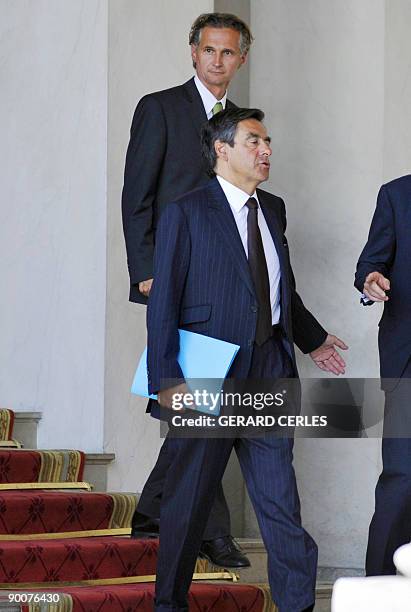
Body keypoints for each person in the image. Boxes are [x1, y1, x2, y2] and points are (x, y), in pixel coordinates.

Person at [148, 107, 348, 612]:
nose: (266, 151)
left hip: (270, 370)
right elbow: (164, 300)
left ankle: (298, 606)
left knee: (281, 504)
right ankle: (168, 603)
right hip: (207, 376)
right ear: (223, 150)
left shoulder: (274, 209)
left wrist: (313, 339)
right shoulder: (187, 209)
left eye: (268, 142)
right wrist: (165, 379)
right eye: (254, 141)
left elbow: (280, 291)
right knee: (189, 503)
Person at [122, 13, 253, 567]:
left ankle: (156, 509)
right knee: (201, 402)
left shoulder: (245, 123)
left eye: (228, 53)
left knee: (204, 403)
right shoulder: (160, 108)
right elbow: (137, 195)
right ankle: (210, 530)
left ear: (240, 59)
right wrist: (146, 267)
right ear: (192, 53)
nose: (217, 61)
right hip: (173, 278)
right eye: (209, 50)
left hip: (226, 282)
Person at [355, 174, 411, 576]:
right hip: (408, 360)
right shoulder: (397, 194)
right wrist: (370, 280)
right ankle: (377, 588)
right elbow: (370, 263)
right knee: (403, 475)